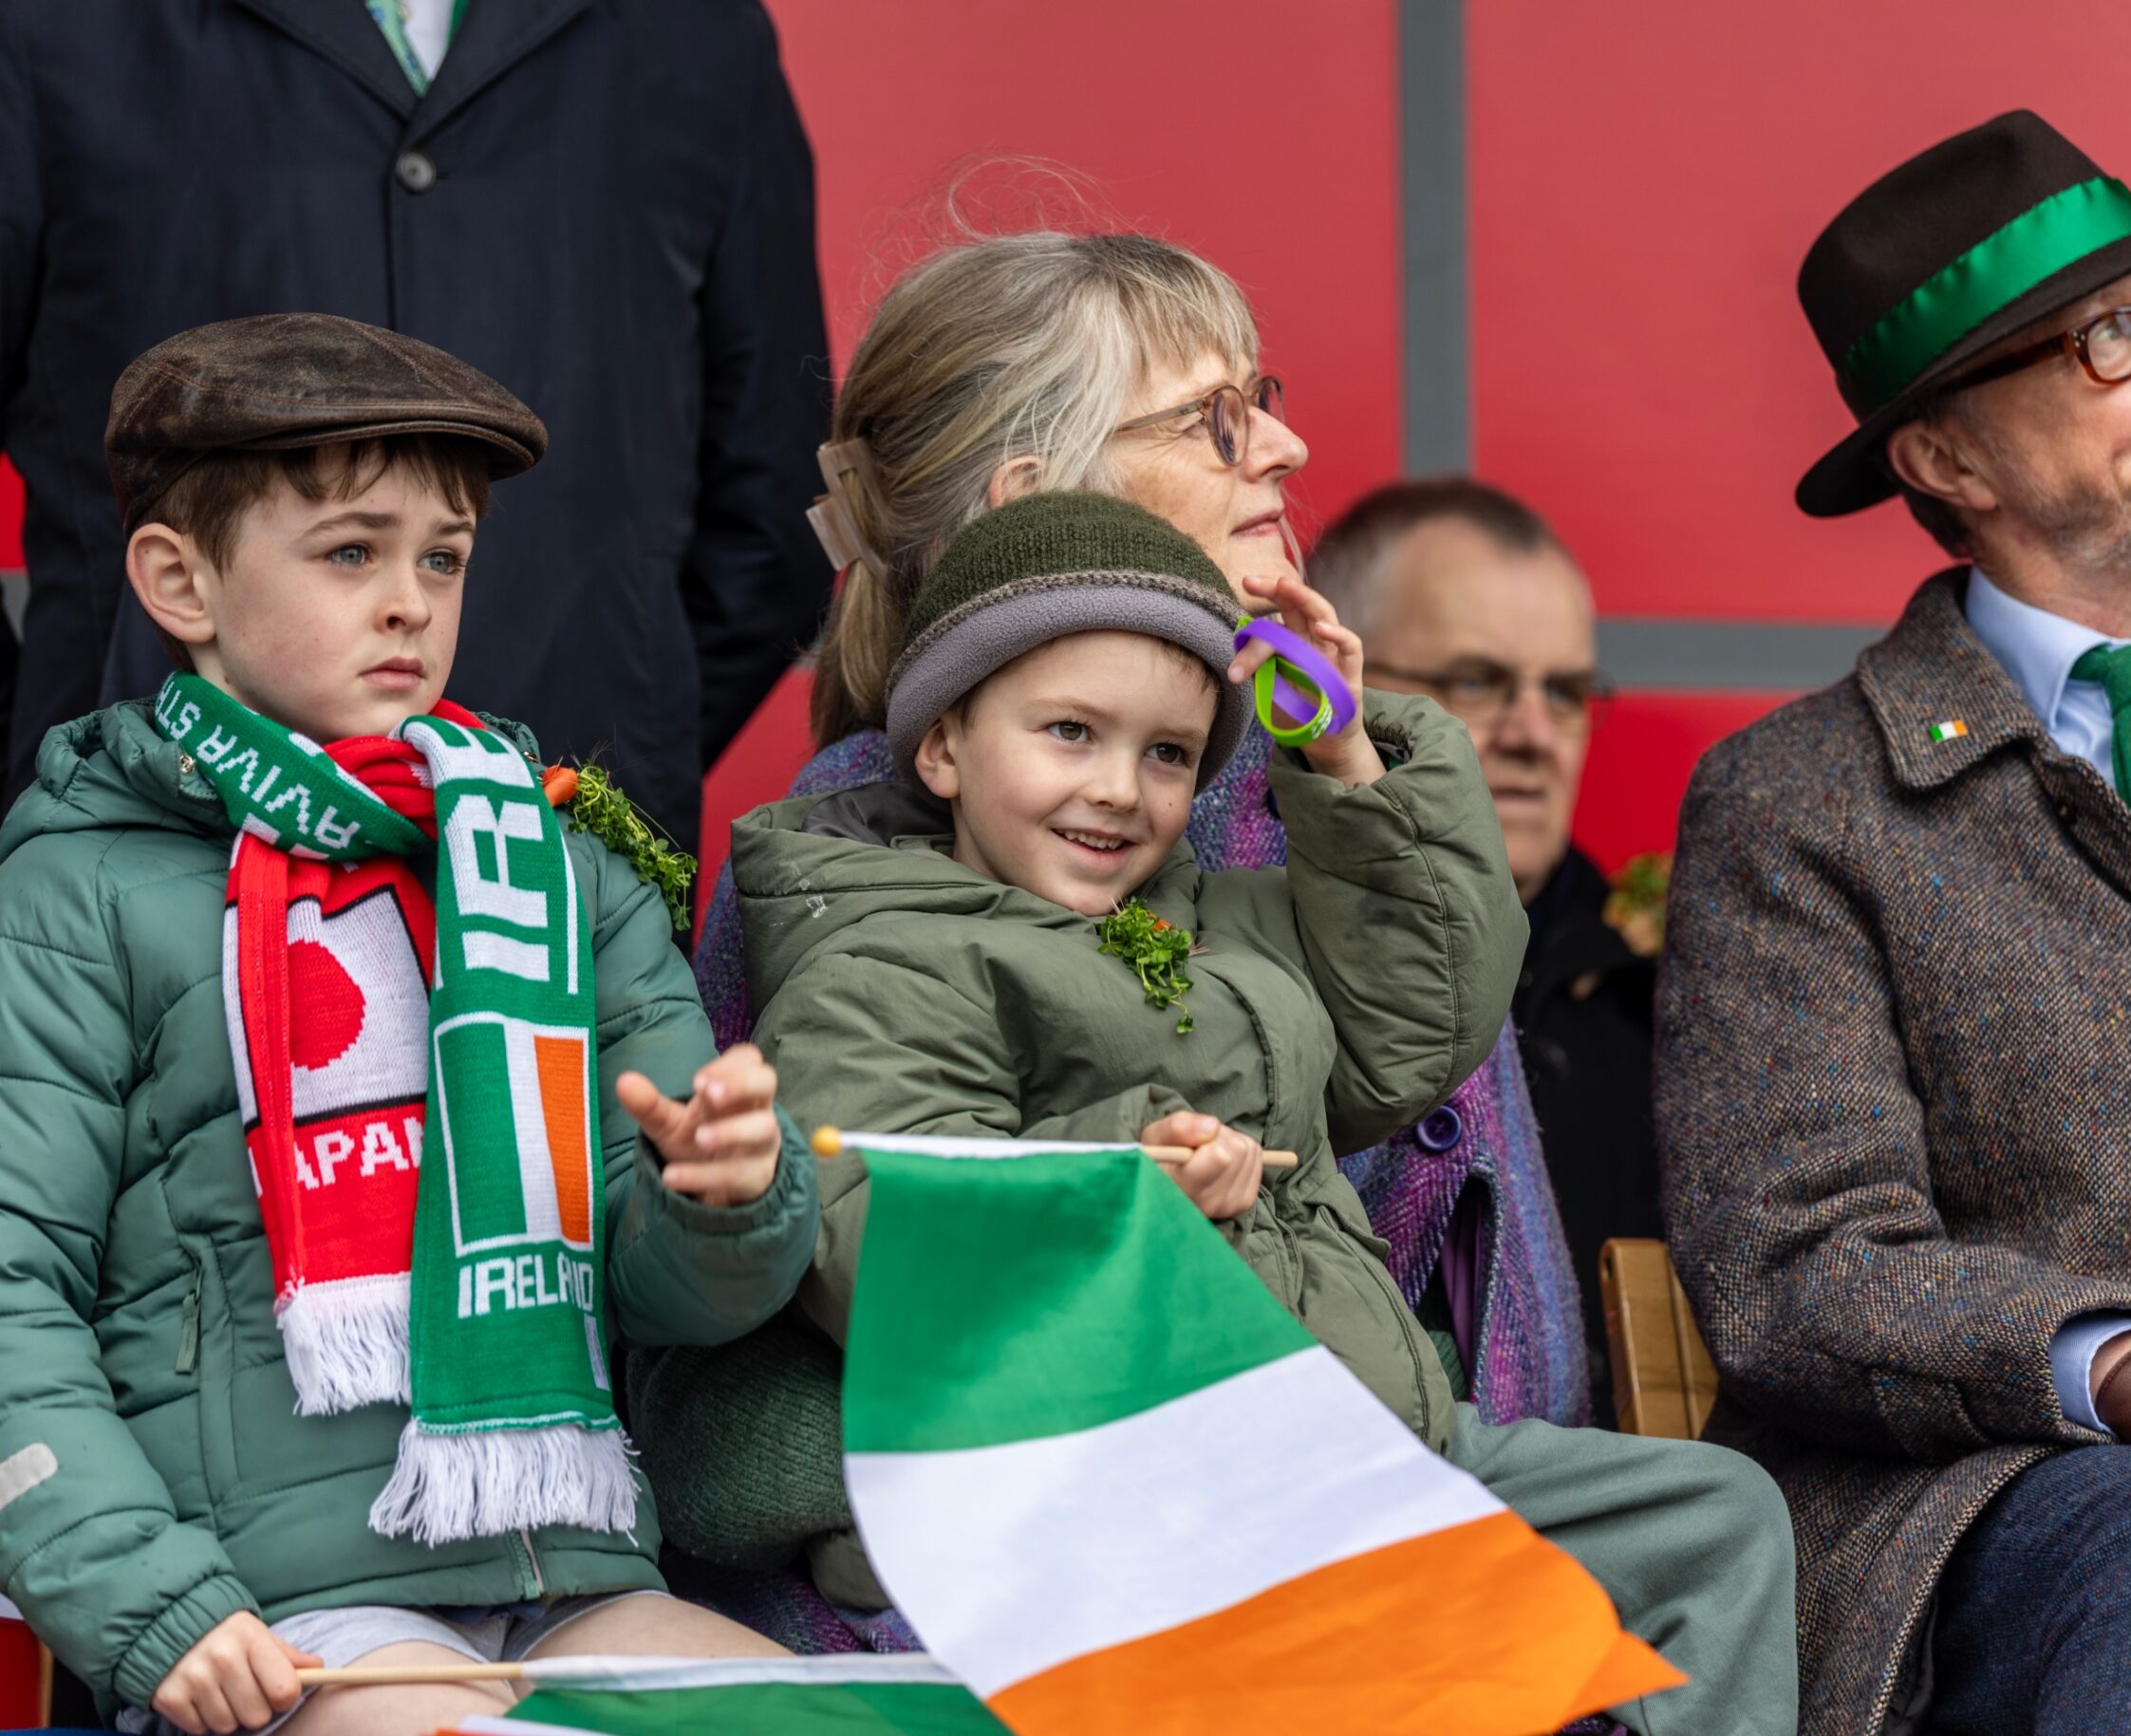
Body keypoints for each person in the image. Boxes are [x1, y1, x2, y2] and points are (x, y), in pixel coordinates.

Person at [710, 488, 1796, 1735]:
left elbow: (1423, 1021)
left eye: (1168, 753)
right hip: (1126, 1487)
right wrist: (1127, 1181)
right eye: (1070, 732)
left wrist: (1343, 758)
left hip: (1361, 1440)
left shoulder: (1212, 917)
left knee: (1717, 1524)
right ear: (944, 745)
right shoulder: (886, 956)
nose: (1119, 789)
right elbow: (864, 1220)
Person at [1656, 107, 2131, 1735]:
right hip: (2017, 1507)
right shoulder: (1797, 801)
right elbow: (1801, 1260)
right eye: (2105, 338)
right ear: (1945, 458)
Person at [661, 233, 1590, 1576]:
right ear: (1032, 496)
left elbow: (1433, 1066)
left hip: (1423, 1518)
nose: (1284, 450)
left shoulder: (1318, 776)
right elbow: (788, 1332)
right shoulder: (867, 837)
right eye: (1218, 421)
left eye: (1261, 398)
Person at [0, 315, 822, 1736]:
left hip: (567, 1571)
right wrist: (155, 1607)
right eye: (349, 553)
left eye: (441, 558)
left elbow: (676, 1294)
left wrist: (724, 1196)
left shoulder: (549, 854)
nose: (409, 603)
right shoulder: (78, 884)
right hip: (275, 1613)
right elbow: (11, 1290)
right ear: (177, 580)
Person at [0, 0, 830, 850]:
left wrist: (624, 737)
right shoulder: (49, 25)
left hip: (566, 840)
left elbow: (774, 514)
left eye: (442, 561)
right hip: (150, 832)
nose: (410, 608)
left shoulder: (703, 33)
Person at [1311, 478, 1652, 1428]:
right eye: (1475, 680)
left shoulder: (1670, 996)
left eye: (1566, 691)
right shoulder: (1260, 957)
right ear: (1332, 681)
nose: (1534, 735)